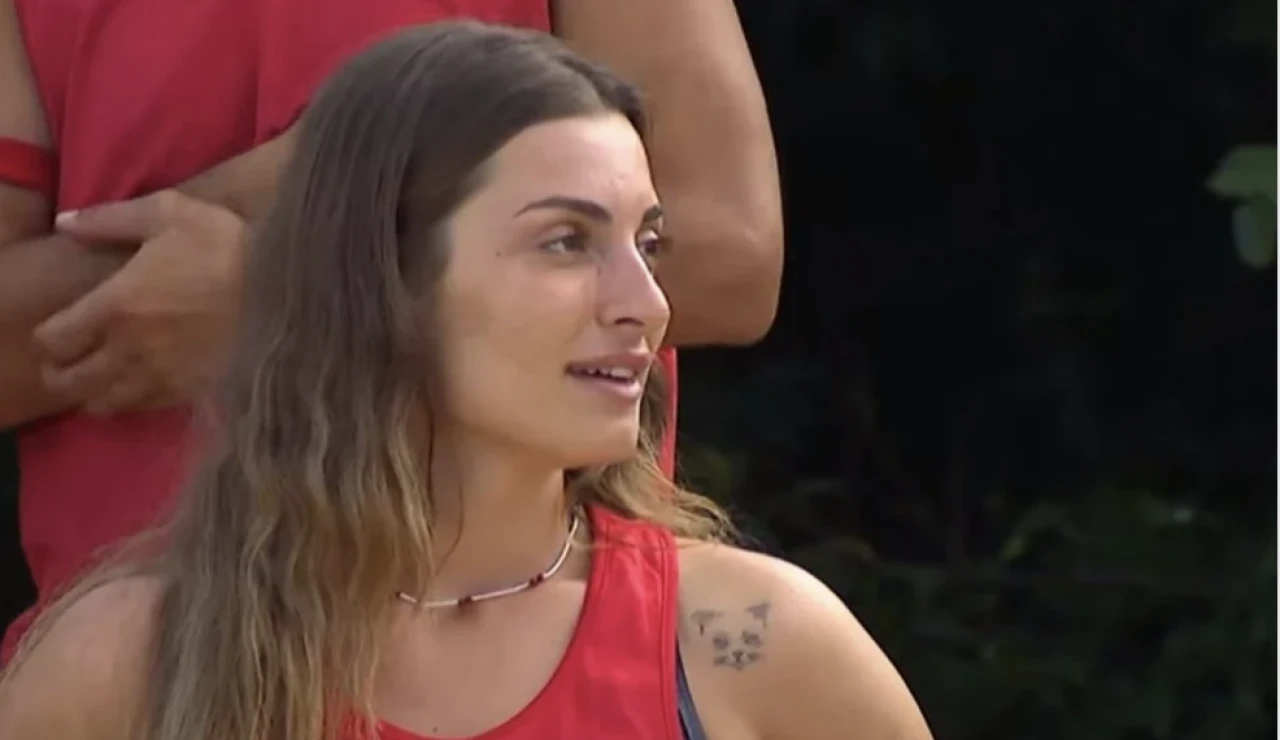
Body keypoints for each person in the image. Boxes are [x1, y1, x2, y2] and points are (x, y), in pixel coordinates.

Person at [0, 23, 930, 740]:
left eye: (647, 245)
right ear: (382, 281)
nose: (646, 304)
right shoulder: (123, 666)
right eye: (566, 242)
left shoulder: (752, 647)